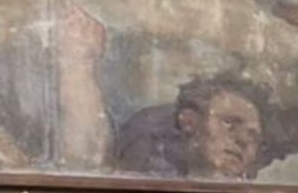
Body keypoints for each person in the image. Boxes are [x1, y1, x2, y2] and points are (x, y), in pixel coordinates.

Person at [114, 73, 270, 180]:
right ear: (189, 121)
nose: (243, 140)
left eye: (253, 136)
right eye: (228, 123)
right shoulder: (141, 184)